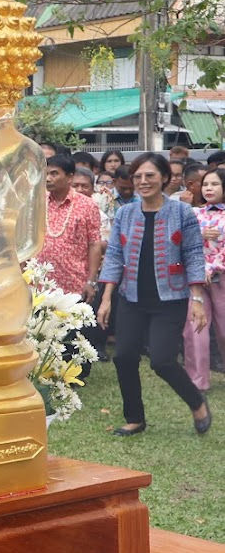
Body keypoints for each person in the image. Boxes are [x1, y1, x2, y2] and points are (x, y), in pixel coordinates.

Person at [98, 152, 211, 436]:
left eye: (149, 175)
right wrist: (107, 298)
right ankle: (135, 418)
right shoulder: (125, 213)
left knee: (161, 360)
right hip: (131, 296)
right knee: (123, 356)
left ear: (163, 177)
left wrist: (197, 299)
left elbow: (194, 254)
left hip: (170, 298)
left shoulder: (181, 212)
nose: (143, 181)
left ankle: (197, 402)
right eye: (137, 176)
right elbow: (113, 255)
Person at [37, 155, 103, 301]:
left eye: (54, 174)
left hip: (74, 284)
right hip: (41, 285)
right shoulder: (38, 202)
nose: (48, 179)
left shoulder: (87, 205)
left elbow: (94, 244)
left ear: (69, 177)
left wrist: (91, 281)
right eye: (46, 174)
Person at [185, 168, 225, 395]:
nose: (209, 188)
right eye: (206, 184)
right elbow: (184, 244)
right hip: (197, 280)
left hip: (222, 278)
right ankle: (197, 380)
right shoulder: (193, 214)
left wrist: (212, 266)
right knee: (195, 328)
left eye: (215, 184)